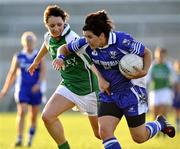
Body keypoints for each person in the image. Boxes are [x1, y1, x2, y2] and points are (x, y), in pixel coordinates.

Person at [53, 10, 176, 149]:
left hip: (132, 92)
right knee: (104, 132)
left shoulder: (123, 41)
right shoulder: (85, 43)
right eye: (85, 36)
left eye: (90, 37)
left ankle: (160, 123)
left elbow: (146, 52)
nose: (86, 40)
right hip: (109, 93)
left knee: (139, 137)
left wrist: (144, 71)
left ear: (102, 36)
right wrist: (60, 57)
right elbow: (64, 48)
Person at [28, 5, 100, 149]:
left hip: (89, 90)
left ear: (64, 22)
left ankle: (151, 127)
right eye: (51, 25)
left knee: (100, 134)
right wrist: (36, 61)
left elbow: (91, 62)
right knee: (47, 116)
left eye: (59, 24)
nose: (56, 28)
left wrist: (103, 81)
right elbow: (46, 45)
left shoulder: (71, 37)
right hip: (68, 86)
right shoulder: (49, 37)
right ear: (46, 25)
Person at [0, 31, 46, 147]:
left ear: (34, 42)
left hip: (35, 89)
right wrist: (5, 89)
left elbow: (43, 72)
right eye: (27, 41)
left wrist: (39, 84)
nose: (29, 43)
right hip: (22, 88)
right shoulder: (19, 57)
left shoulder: (38, 56)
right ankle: (19, 138)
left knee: (33, 115)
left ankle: (30, 138)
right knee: (22, 111)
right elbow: (12, 74)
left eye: (31, 40)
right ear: (23, 42)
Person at [147, 47, 175, 120]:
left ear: (165, 55)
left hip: (165, 90)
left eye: (162, 55)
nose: (160, 56)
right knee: (154, 112)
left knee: (163, 110)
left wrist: (173, 87)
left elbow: (173, 78)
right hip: (154, 90)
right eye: (158, 55)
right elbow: (147, 79)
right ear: (155, 55)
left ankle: (164, 128)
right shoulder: (152, 65)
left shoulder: (168, 65)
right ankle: (155, 129)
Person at [173, 60, 180, 132]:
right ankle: (178, 126)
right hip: (176, 96)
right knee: (177, 111)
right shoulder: (175, 76)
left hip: (178, 96)